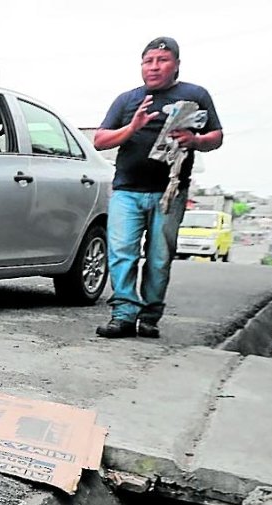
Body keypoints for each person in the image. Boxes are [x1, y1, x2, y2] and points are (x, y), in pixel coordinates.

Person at [92, 37, 224, 338]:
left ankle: (150, 316)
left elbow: (216, 136)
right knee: (122, 252)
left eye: (162, 60)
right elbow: (99, 141)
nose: (154, 66)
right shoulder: (127, 100)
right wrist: (132, 127)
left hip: (170, 192)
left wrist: (195, 140)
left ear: (176, 65)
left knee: (159, 257)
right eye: (148, 61)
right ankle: (123, 314)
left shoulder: (195, 94)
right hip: (126, 190)